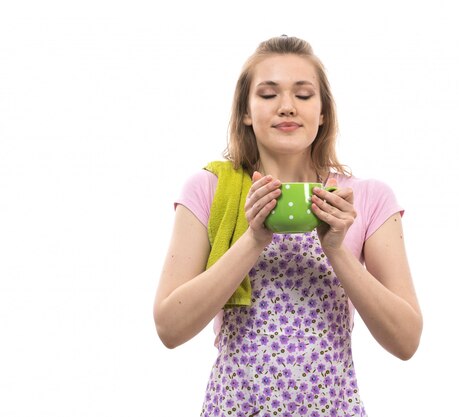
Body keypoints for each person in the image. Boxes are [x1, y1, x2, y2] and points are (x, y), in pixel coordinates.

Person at [153, 35, 422, 416]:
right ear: (246, 110)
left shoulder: (367, 199)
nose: (286, 107)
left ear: (323, 111)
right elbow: (169, 328)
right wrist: (253, 239)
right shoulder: (211, 190)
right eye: (267, 94)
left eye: (303, 94)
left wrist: (336, 250)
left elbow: (406, 341)